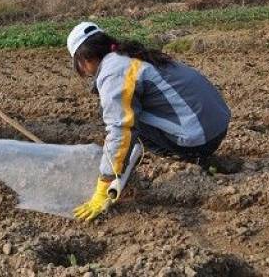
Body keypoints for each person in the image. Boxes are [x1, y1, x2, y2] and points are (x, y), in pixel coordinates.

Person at [66, 22, 231, 222]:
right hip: (217, 123)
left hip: (200, 137)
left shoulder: (113, 72)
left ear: (84, 58)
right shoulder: (127, 56)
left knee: (125, 122)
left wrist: (104, 184)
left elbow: (120, 129)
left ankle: (189, 158)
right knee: (127, 115)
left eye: (78, 65)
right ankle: (130, 165)